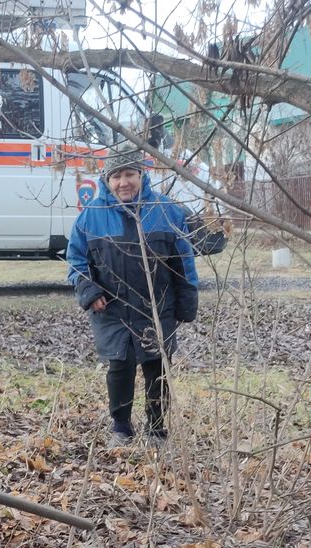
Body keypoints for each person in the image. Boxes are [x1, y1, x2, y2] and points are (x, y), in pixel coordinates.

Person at [66, 143, 199, 444]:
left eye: (130, 174)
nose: (123, 182)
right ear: (107, 180)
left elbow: (184, 261)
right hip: (112, 311)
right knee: (120, 365)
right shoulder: (90, 217)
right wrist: (88, 290)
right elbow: (76, 261)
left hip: (156, 306)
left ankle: (157, 429)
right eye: (116, 176)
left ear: (142, 175)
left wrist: (187, 297)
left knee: (156, 367)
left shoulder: (166, 212)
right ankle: (121, 428)